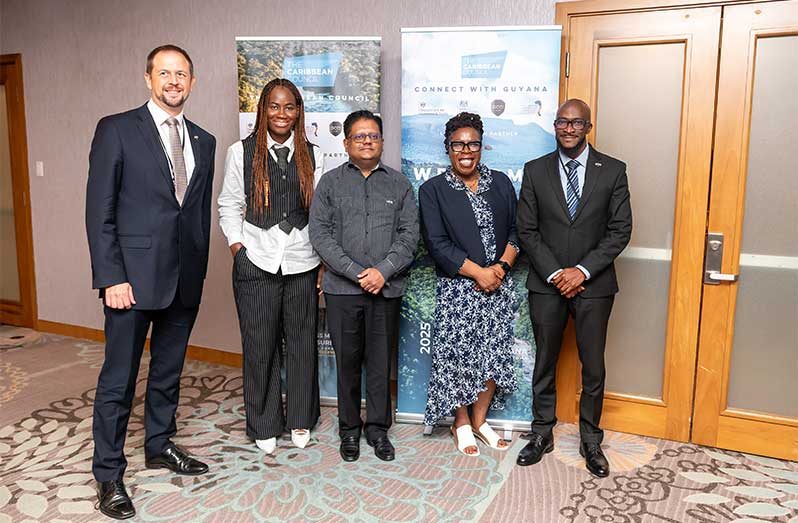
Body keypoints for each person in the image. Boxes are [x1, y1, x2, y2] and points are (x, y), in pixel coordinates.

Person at [85, 44, 215, 520]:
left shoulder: (204, 139)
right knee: (118, 380)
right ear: (148, 78)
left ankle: (159, 444)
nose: (174, 81)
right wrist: (111, 276)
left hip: (183, 280)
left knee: (167, 373)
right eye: (165, 73)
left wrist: (198, 271)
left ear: (193, 82)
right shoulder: (117, 129)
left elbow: (194, 214)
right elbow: (99, 211)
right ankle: (108, 474)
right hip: (131, 282)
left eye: (182, 73)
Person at [515, 99, 632, 477]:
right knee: (545, 361)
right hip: (547, 285)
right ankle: (541, 433)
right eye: (562, 122)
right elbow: (527, 231)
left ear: (589, 126)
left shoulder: (613, 171)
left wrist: (581, 271)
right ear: (554, 125)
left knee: (593, 366)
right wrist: (556, 273)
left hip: (593, 286)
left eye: (576, 122)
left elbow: (620, 231)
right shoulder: (534, 170)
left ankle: (590, 440)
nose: (568, 128)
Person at [218, 78, 324, 455]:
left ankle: (300, 418)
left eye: (290, 107)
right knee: (260, 346)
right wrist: (237, 248)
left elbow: (320, 214)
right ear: (263, 110)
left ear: (299, 112)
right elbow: (229, 204)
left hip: (302, 261)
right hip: (256, 261)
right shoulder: (240, 152)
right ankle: (263, 422)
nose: (282, 114)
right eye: (274, 107)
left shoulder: (314, 154)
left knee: (300, 344)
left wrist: (321, 263)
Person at [309, 110, 419, 462]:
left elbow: (409, 236)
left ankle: (377, 430)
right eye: (360, 136)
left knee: (379, 361)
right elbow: (320, 235)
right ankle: (349, 431)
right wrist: (358, 272)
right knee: (348, 362)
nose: (367, 141)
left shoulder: (399, 184)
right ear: (346, 143)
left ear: (382, 141)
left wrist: (383, 271)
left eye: (373, 136)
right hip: (343, 291)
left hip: (385, 290)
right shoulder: (330, 183)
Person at [418, 112, 519, 456]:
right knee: (458, 358)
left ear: (481, 146)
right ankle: (460, 422)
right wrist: (479, 272)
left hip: (499, 285)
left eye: (472, 143)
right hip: (459, 287)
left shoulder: (502, 183)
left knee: (492, 355)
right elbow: (437, 243)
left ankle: (480, 419)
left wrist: (501, 267)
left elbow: (518, 231)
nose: (466, 150)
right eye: (458, 144)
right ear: (447, 148)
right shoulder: (433, 190)